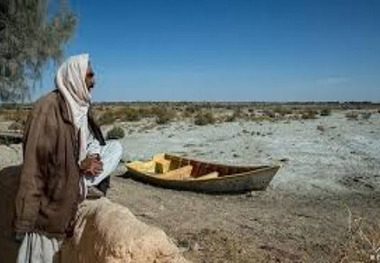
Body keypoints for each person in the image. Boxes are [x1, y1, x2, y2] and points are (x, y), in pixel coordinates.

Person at [13, 54, 123, 262]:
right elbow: (34, 169)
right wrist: (24, 221)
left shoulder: (79, 108)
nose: (94, 81)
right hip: (53, 204)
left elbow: (84, 144)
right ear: (75, 77)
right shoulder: (47, 110)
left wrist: (92, 158)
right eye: (89, 75)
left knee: (115, 147)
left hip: (74, 182)